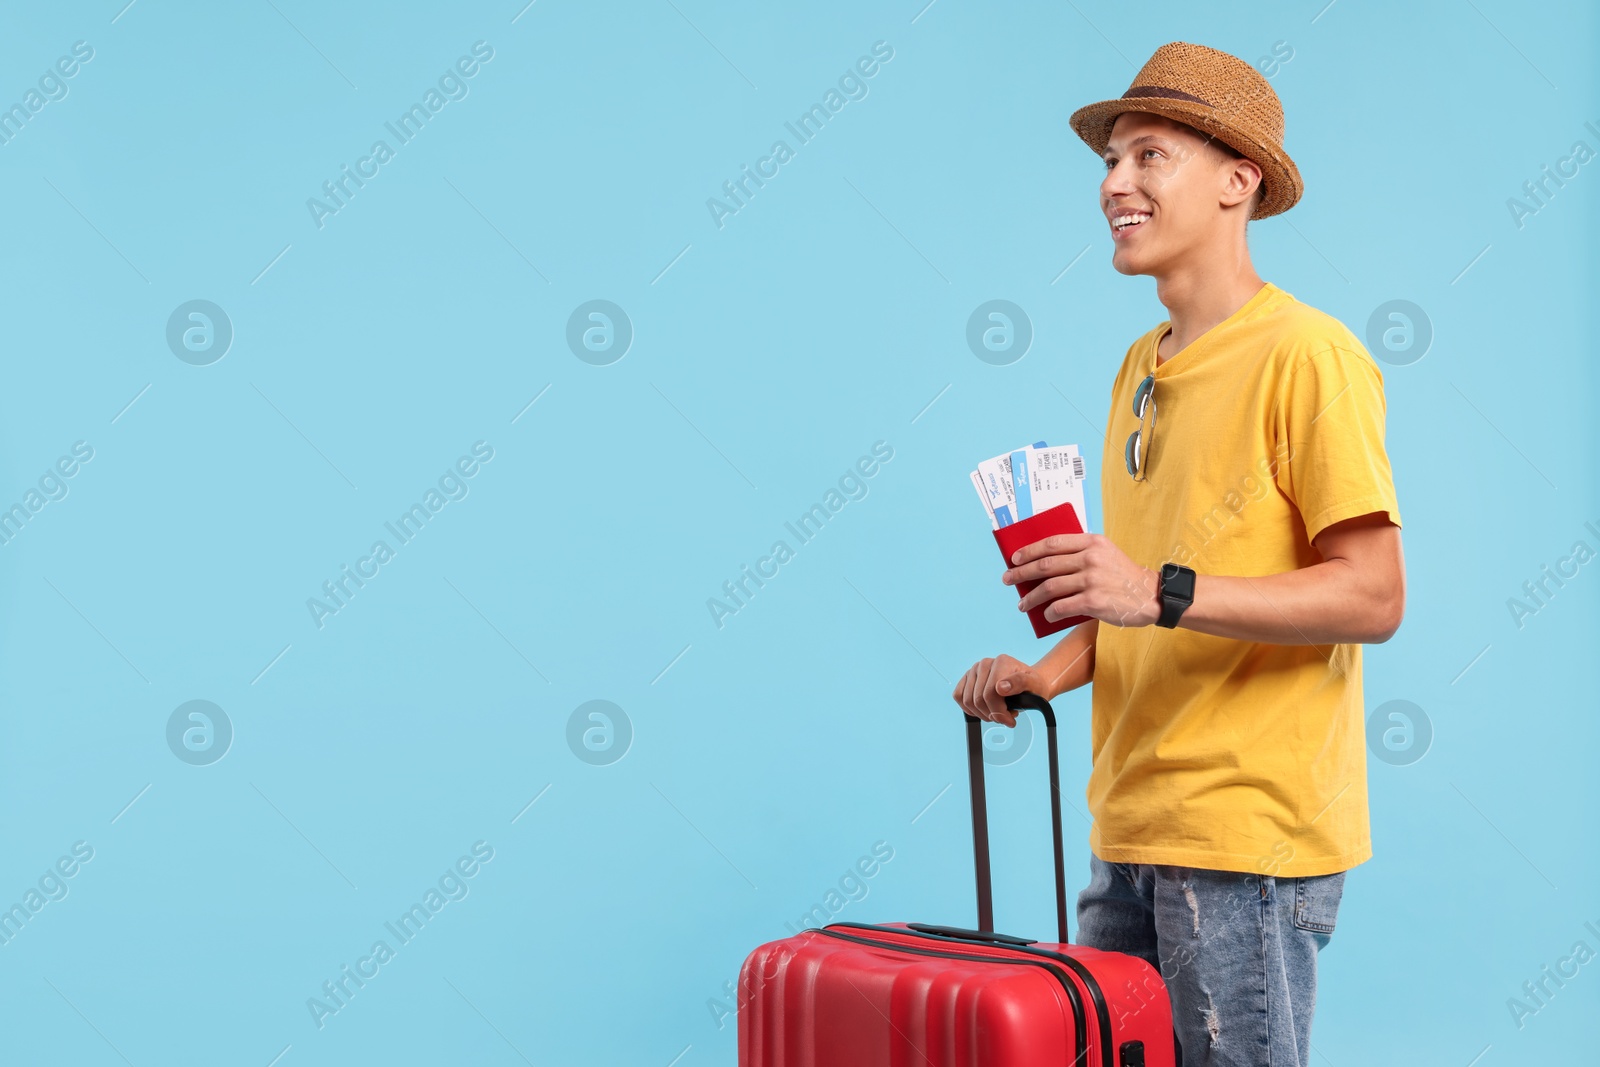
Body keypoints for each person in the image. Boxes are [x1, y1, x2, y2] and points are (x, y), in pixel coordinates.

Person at [952, 41, 1405, 1067]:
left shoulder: (1309, 355)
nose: (1115, 183)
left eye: (1149, 155)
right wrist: (1046, 671)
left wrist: (1153, 586)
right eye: (1111, 161)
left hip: (1245, 836)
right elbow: (1137, 605)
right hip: (1130, 819)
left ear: (1236, 181)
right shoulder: (1137, 368)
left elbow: (1373, 593)